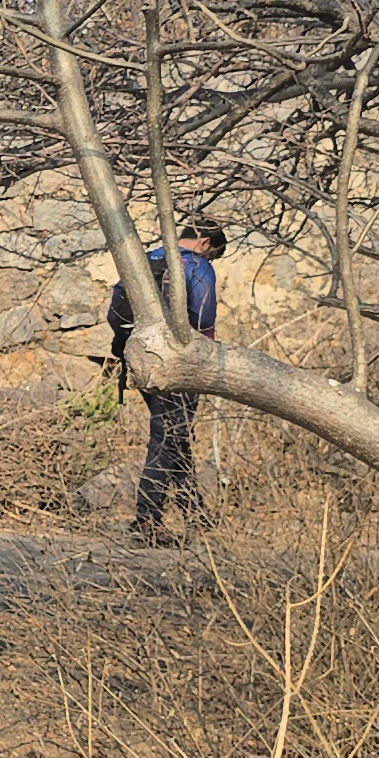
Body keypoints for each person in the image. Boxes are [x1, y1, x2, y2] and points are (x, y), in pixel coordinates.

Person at [106, 217, 225, 541]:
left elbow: (114, 312)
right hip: (180, 364)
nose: (210, 260)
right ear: (204, 244)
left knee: (176, 435)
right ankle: (147, 521)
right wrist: (205, 361)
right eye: (213, 254)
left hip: (143, 361)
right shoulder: (196, 265)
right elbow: (203, 315)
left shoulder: (148, 259)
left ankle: (195, 513)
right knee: (167, 436)